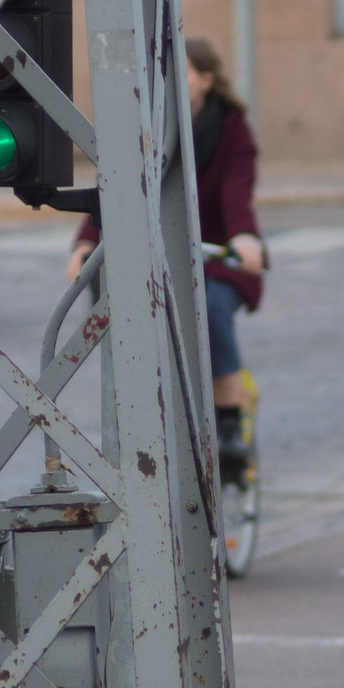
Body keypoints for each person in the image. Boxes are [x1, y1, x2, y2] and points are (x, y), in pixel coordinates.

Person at [69, 37, 265, 469]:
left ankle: (229, 418)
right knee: (124, 312)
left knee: (210, 309)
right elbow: (117, 185)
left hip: (217, 258)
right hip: (157, 258)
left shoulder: (231, 128)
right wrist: (86, 240)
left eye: (184, 73)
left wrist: (245, 240)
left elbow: (236, 192)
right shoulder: (149, 122)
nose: (171, 82)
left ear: (207, 80)